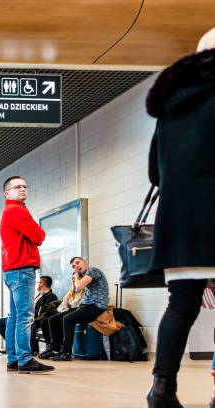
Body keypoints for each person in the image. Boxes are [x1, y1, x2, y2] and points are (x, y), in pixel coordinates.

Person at [144, 27, 215, 408]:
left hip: (179, 223)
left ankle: (162, 388)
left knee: (181, 305)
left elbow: (156, 174)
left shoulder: (170, 107)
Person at [0, 176, 54, 373]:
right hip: (22, 270)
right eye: (17, 187)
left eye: (24, 186)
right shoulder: (17, 210)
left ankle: (13, 359)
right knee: (25, 317)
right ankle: (24, 359)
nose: (22, 189)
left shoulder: (9, 211)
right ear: (8, 193)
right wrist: (37, 231)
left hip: (12, 271)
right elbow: (39, 236)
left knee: (14, 317)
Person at [49, 257, 108, 362]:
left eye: (78, 263)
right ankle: (54, 350)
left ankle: (66, 352)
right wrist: (77, 278)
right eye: (73, 266)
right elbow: (76, 289)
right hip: (85, 306)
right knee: (53, 319)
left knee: (68, 318)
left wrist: (76, 276)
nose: (76, 266)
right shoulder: (85, 275)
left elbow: (79, 286)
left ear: (84, 262)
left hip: (96, 306)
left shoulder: (93, 270)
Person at [38, 272, 85, 359]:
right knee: (51, 319)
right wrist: (64, 309)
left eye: (75, 278)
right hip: (68, 311)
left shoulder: (84, 291)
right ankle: (53, 348)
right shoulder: (70, 292)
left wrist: (68, 308)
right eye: (72, 279)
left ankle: (65, 351)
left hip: (78, 311)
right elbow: (61, 306)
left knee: (65, 318)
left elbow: (78, 304)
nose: (73, 280)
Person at [29, 275, 58, 355]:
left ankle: (32, 350)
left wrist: (32, 314)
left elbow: (44, 310)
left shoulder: (51, 296)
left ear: (42, 283)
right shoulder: (39, 295)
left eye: (38, 282)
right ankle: (14, 347)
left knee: (31, 324)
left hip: (38, 319)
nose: (37, 284)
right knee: (4, 322)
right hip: (31, 317)